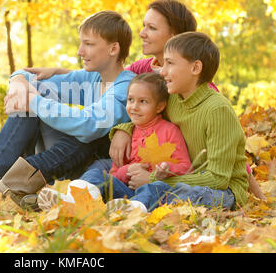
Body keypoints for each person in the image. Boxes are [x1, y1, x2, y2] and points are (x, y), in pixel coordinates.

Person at [27, 0, 264, 200]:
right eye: (143, 26)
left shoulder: (203, 92)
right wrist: (124, 128)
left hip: (180, 171)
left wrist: (254, 196)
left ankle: (28, 181)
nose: (141, 33)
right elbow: (109, 74)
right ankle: (71, 194)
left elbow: (226, 150)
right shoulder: (143, 69)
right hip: (142, 159)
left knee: (91, 134)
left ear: (174, 36)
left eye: (151, 27)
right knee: (96, 151)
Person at [0, 10, 136, 208]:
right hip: (64, 162)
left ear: (113, 49)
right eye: (81, 43)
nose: (80, 51)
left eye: (89, 44)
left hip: (96, 172)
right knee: (31, 97)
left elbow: (89, 124)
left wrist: (33, 100)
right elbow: (31, 79)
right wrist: (19, 82)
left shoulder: (125, 87)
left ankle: (2, 187)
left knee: (80, 134)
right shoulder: (92, 78)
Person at [36, 72, 193, 212]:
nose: (134, 107)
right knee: (96, 173)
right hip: (126, 191)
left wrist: (164, 171)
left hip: (153, 195)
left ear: (160, 106)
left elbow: (186, 167)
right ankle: (74, 200)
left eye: (143, 101)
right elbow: (114, 174)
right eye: (130, 100)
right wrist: (128, 170)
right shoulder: (128, 135)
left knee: (155, 188)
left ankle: (132, 211)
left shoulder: (169, 130)